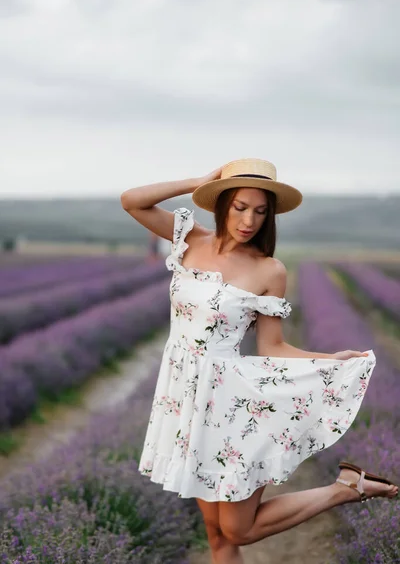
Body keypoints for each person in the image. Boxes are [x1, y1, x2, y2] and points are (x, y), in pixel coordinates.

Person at [120, 158, 398, 564]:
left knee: (238, 529)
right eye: (239, 207)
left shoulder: (269, 270)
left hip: (230, 404)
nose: (249, 220)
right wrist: (199, 182)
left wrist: (329, 359)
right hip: (184, 401)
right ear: (221, 204)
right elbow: (131, 201)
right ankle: (347, 486)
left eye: (260, 211)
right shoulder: (189, 240)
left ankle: (345, 488)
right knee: (218, 537)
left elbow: (272, 348)